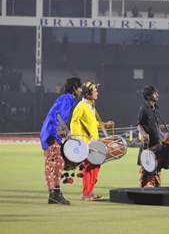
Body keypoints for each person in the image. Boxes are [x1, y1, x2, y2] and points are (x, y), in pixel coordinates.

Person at [40, 77, 82, 205]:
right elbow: (58, 117)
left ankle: (54, 194)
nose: (81, 90)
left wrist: (64, 133)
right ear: (74, 89)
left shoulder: (64, 99)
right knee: (56, 163)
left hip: (48, 134)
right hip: (51, 134)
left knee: (52, 164)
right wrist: (66, 133)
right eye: (79, 87)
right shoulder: (67, 99)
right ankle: (55, 193)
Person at [70, 82, 114, 200]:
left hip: (93, 142)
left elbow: (93, 123)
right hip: (86, 142)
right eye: (95, 91)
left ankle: (89, 192)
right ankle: (86, 194)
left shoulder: (91, 106)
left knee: (95, 166)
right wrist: (77, 139)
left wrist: (104, 124)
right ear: (88, 93)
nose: (97, 93)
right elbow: (74, 122)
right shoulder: (81, 106)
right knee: (90, 167)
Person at [137, 86, 164, 187]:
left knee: (157, 167)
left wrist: (164, 136)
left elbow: (157, 127)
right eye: (154, 93)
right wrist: (144, 134)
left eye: (157, 93)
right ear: (148, 96)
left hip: (157, 143)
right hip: (148, 145)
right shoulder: (144, 108)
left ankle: (155, 186)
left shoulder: (155, 109)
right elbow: (139, 125)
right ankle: (146, 187)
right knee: (147, 167)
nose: (157, 95)